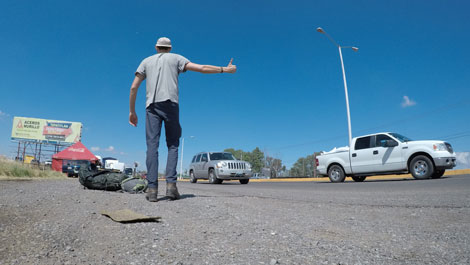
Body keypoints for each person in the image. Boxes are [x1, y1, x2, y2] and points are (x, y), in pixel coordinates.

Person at [129, 37, 236, 202]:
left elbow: (134, 87)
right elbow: (201, 68)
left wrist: (132, 111)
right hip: (171, 104)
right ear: (169, 48)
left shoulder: (145, 62)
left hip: (152, 107)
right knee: (172, 145)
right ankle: (171, 187)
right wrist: (224, 69)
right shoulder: (177, 58)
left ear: (157, 48)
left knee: (152, 146)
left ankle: (152, 190)